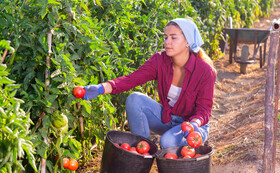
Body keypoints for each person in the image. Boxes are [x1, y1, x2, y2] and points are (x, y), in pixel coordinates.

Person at [79, 18, 216, 149]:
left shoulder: (205, 71)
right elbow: (132, 79)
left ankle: (189, 148)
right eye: (165, 37)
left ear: (188, 41)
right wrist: (101, 88)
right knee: (134, 99)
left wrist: (193, 124)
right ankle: (143, 151)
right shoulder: (159, 61)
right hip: (168, 119)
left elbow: (204, 110)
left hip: (194, 126)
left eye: (173, 38)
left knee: (167, 142)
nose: (167, 42)